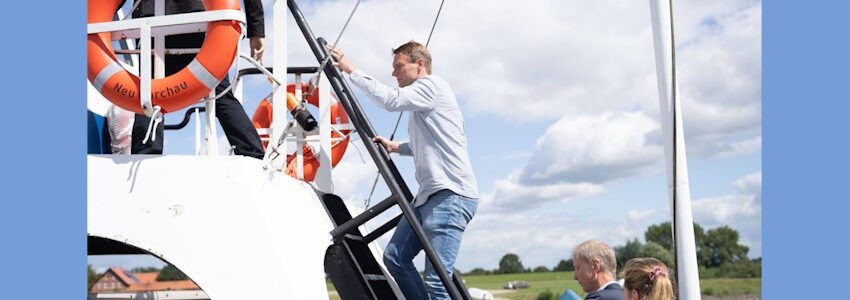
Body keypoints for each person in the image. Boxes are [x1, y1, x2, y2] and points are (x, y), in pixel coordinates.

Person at [329, 41, 479, 300]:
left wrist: (349, 69)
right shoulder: (426, 98)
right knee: (395, 258)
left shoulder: (431, 86)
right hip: (429, 197)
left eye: (398, 67)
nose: (394, 73)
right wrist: (396, 147)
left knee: (437, 281)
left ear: (419, 65)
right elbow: (433, 141)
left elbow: (390, 100)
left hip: (450, 196)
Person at [125, 0, 266, 158]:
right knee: (219, 93)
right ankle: (253, 154)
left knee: (149, 94)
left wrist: (96, 24)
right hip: (201, 15)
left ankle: (144, 157)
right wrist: (257, 30)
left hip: (152, 19)